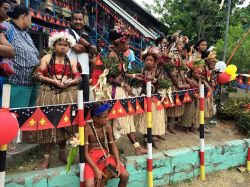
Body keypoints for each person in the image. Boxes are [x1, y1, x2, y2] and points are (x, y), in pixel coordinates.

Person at [34, 31, 81, 169]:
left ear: (69, 47)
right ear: (54, 45)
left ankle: (62, 151)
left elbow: (78, 77)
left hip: (67, 95)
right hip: (48, 95)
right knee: (47, 126)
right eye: (59, 44)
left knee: (66, 125)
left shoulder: (72, 60)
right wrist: (53, 81)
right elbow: (37, 75)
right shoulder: (47, 58)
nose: (63, 47)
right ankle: (46, 159)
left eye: (66, 45)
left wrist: (70, 82)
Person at [106, 29, 147, 155]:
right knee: (119, 118)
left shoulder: (119, 55)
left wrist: (135, 76)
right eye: (127, 43)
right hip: (114, 90)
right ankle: (134, 147)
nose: (128, 46)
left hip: (119, 89)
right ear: (119, 42)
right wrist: (123, 84)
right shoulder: (113, 56)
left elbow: (121, 74)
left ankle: (134, 147)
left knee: (122, 118)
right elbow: (109, 77)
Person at [84, 102, 129, 187]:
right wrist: (95, 169)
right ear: (95, 118)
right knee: (89, 185)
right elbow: (85, 153)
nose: (107, 119)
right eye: (104, 117)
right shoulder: (87, 128)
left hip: (105, 155)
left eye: (107, 116)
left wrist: (118, 162)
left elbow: (112, 144)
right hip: (91, 157)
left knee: (125, 175)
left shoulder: (107, 126)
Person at [3, 5, 39, 108]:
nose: (31, 21)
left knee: (28, 119)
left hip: (32, 83)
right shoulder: (7, 27)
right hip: (16, 82)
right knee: (16, 117)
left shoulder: (26, 34)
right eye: (30, 17)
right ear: (24, 16)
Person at [137, 47, 166, 148]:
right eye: (146, 60)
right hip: (145, 97)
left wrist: (155, 80)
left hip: (155, 98)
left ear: (155, 61)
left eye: (151, 60)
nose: (148, 62)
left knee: (154, 118)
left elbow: (162, 83)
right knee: (145, 118)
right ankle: (146, 137)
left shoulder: (158, 71)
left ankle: (152, 136)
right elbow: (141, 84)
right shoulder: (143, 70)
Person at [67, 10, 97, 102]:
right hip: (71, 71)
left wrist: (85, 44)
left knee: (85, 102)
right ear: (71, 21)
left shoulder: (85, 35)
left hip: (85, 72)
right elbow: (77, 48)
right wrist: (88, 46)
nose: (78, 22)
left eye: (80, 19)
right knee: (73, 100)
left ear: (83, 21)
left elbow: (95, 49)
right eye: (75, 19)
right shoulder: (68, 32)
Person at [0, 0, 15, 106]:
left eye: (9, 9)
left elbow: (11, 51)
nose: (8, 12)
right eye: (5, 9)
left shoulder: (3, 29)